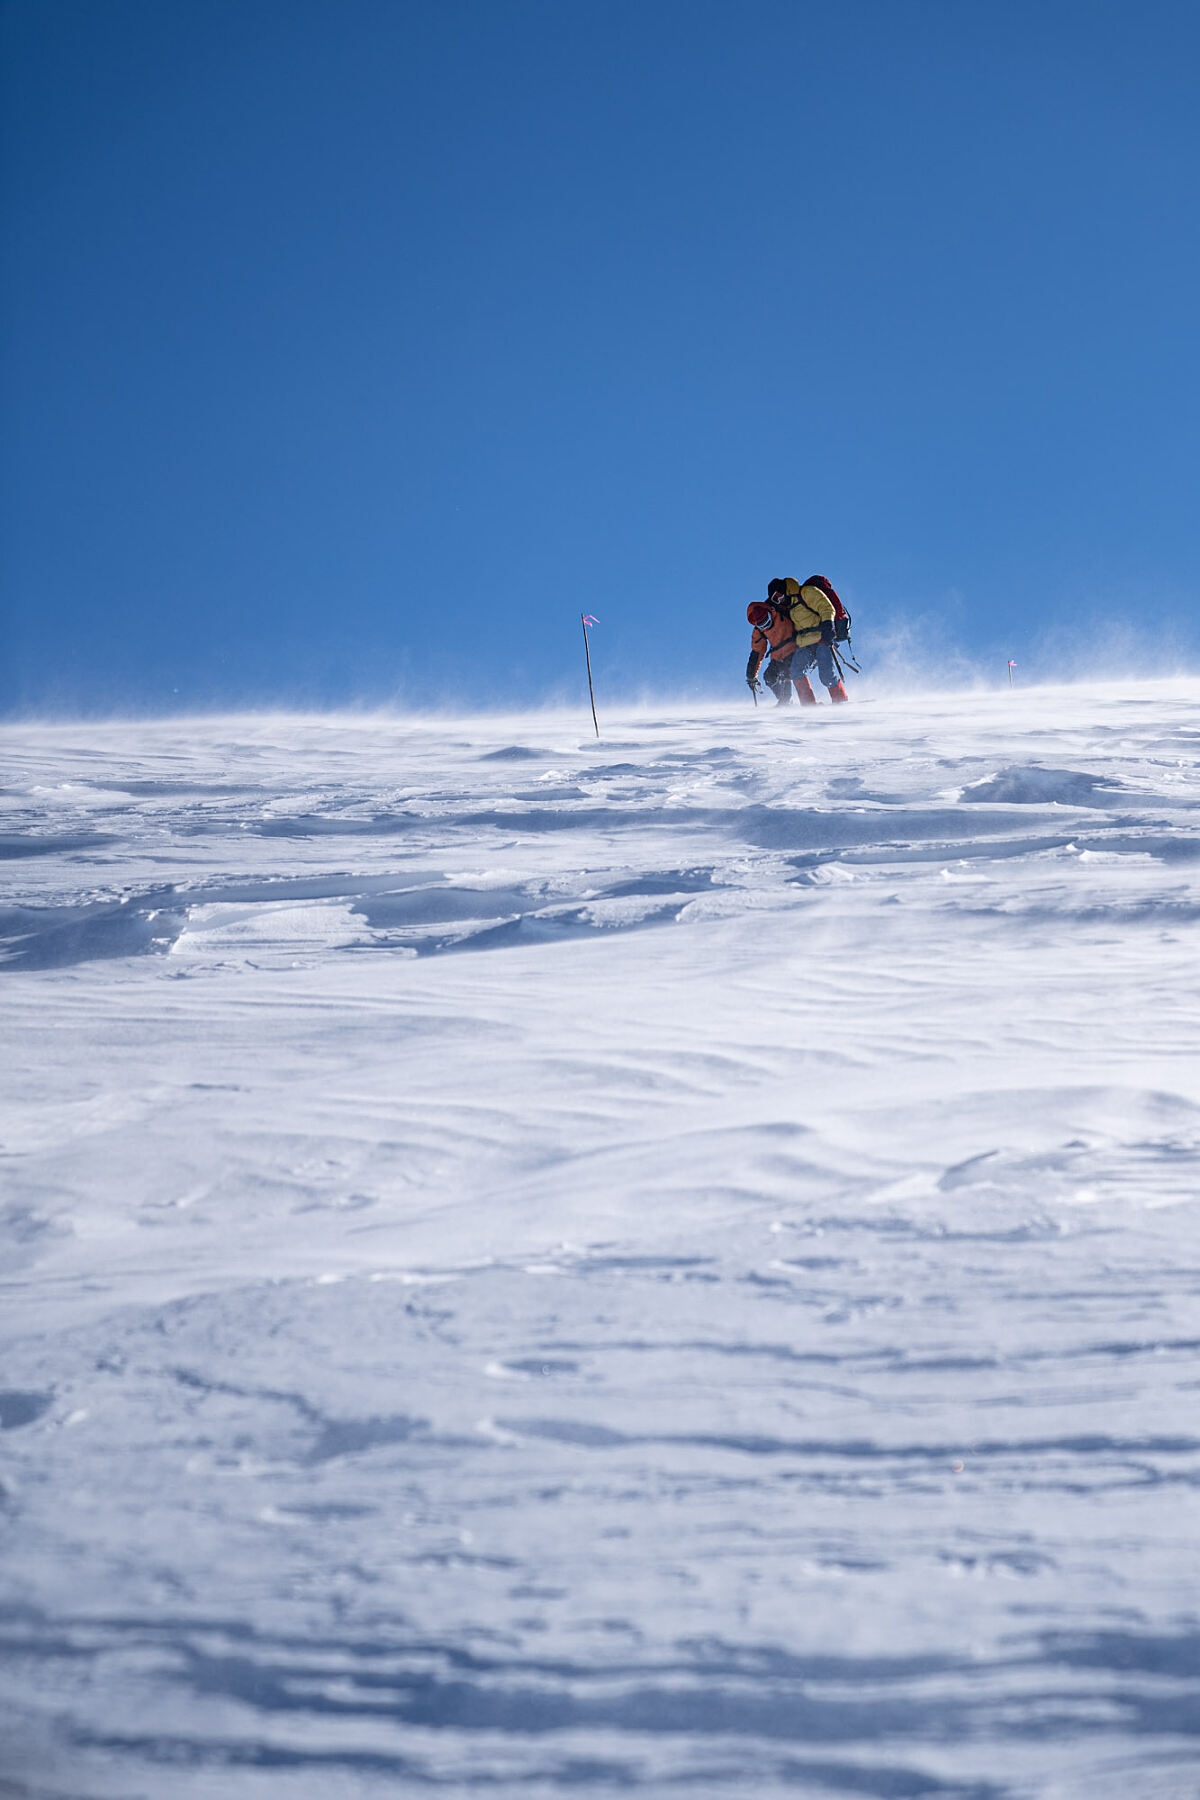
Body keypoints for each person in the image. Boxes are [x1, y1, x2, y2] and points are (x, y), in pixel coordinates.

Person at [767, 577, 849, 703]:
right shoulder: (790, 606)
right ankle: (809, 705)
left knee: (826, 675)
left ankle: (840, 700)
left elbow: (826, 607)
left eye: (778, 596)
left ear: (784, 590)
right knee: (795, 672)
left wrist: (828, 626)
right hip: (804, 643)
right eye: (775, 599)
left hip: (822, 638)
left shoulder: (807, 592)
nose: (779, 600)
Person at [745, 600, 817, 705]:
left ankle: (793, 701)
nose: (767, 626)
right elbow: (757, 652)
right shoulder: (759, 631)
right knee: (769, 677)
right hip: (777, 657)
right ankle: (785, 700)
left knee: (786, 673)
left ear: (770, 614)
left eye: (767, 621)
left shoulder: (780, 612)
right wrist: (751, 675)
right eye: (763, 625)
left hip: (794, 649)